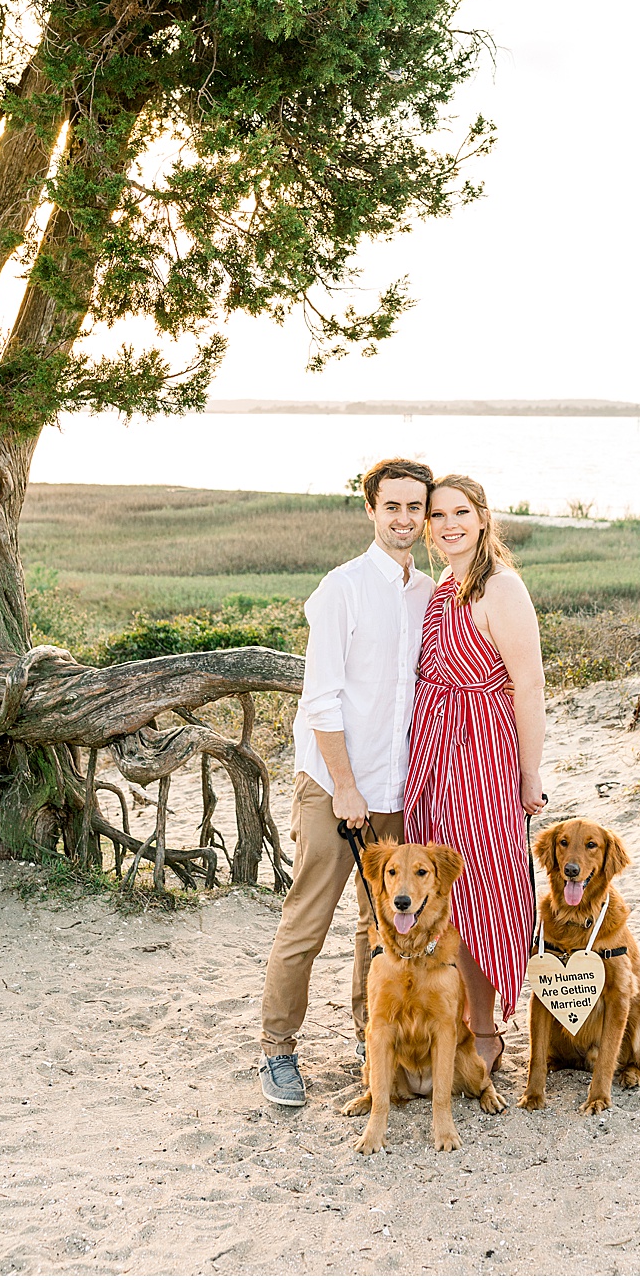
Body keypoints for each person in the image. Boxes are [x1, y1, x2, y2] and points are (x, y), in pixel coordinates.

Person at [258, 457, 437, 1106]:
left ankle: (371, 1038)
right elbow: (322, 701)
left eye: (415, 507)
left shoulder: (428, 593)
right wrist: (345, 785)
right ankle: (277, 1051)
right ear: (370, 509)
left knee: (381, 927)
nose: (404, 519)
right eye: (392, 506)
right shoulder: (342, 589)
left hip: (396, 791)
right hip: (335, 789)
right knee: (307, 920)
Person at [404, 474, 547, 1072]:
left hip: (484, 756)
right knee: (443, 892)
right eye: (437, 516)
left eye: (460, 512)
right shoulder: (444, 585)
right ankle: (453, 1025)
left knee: (483, 893)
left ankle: (486, 1034)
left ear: (484, 518)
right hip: (434, 754)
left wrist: (528, 774)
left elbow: (530, 686)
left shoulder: (502, 589)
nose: (448, 524)